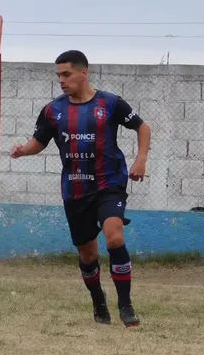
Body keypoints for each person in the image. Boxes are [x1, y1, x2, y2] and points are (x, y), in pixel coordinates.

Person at [10, 50, 150, 328]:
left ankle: (126, 305)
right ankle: (98, 300)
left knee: (113, 236)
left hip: (109, 182)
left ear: (84, 73)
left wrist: (140, 160)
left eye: (66, 74)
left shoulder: (110, 103)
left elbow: (142, 127)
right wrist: (24, 150)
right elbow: (39, 141)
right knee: (87, 254)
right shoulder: (54, 110)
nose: (61, 80)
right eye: (58, 75)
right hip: (75, 189)